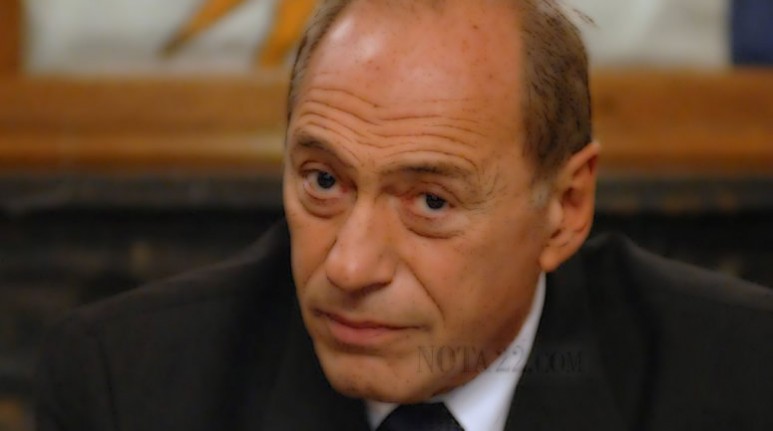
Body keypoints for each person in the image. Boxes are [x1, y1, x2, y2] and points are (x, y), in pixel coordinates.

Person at [36, 1, 773, 430]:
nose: (349, 266)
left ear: (565, 209)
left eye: (431, 201)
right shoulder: (126, 387)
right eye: (324, 181)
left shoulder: (741, 377)